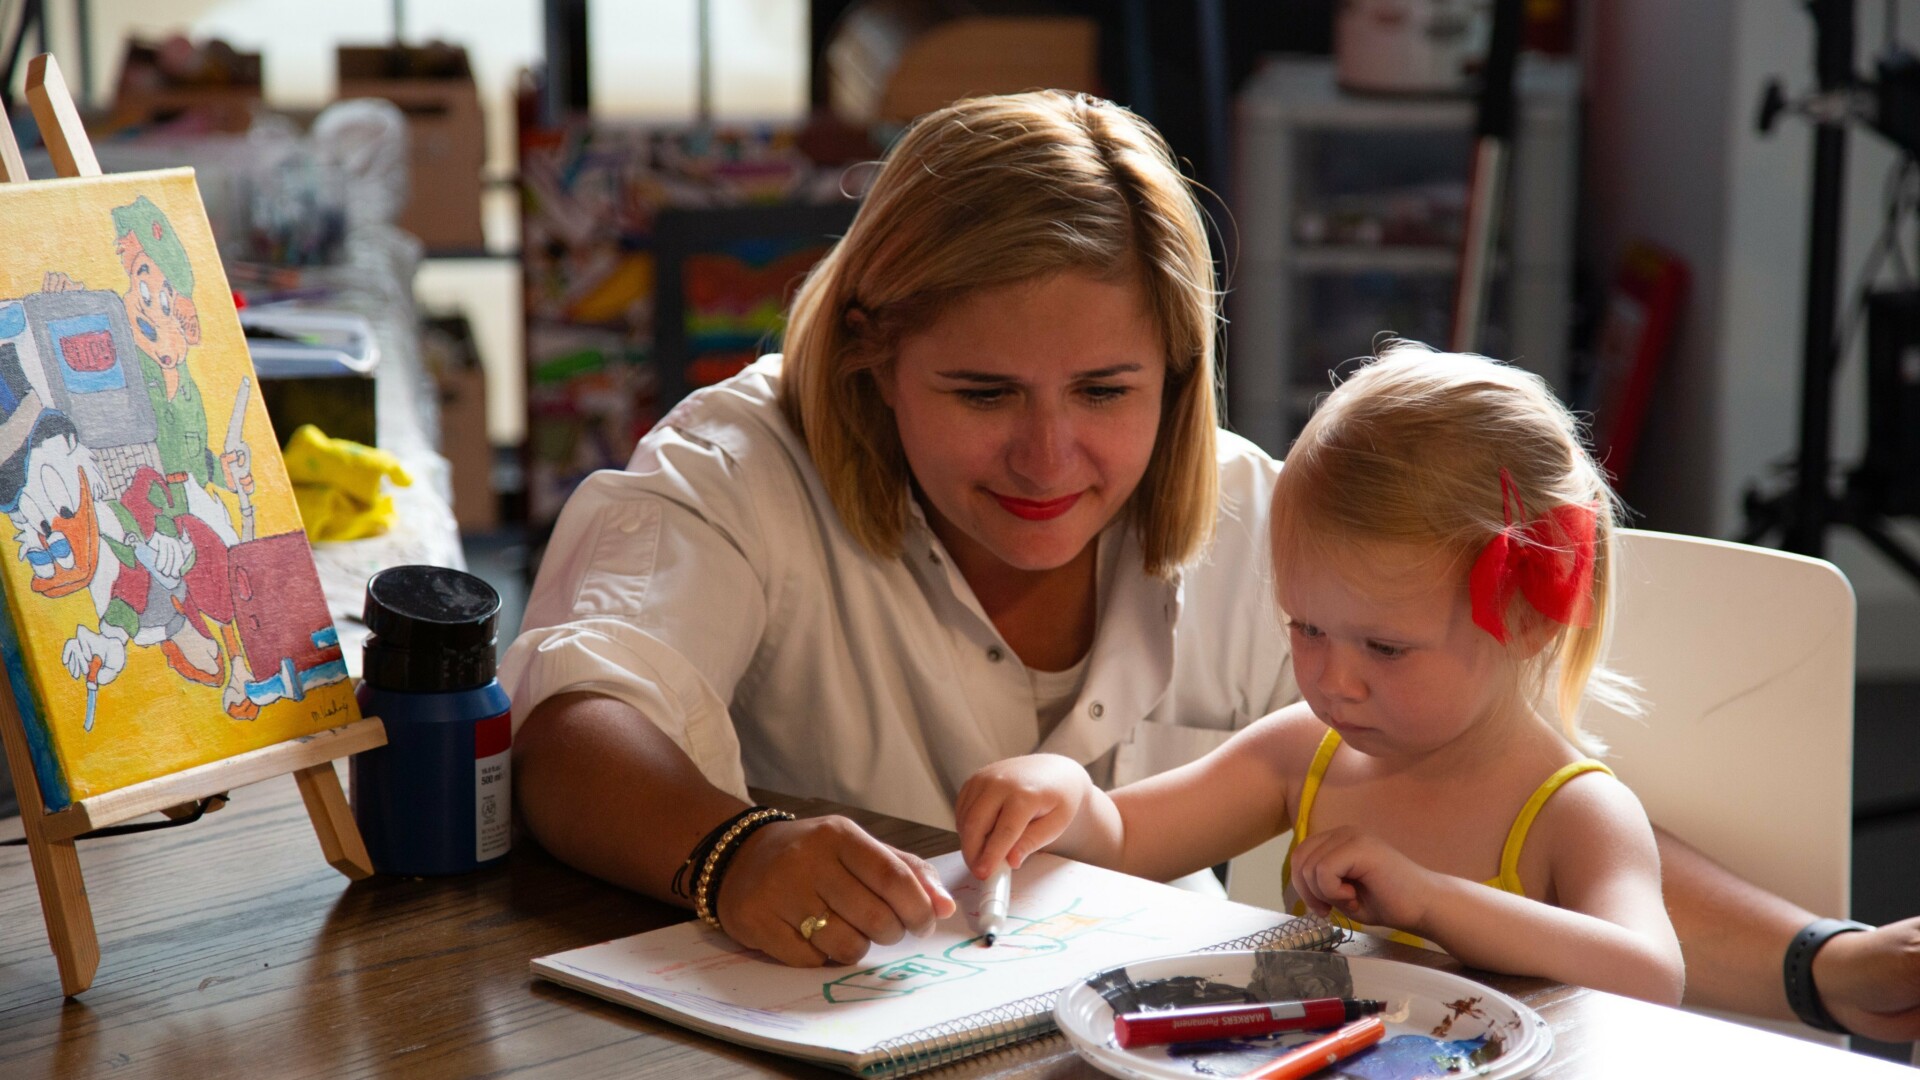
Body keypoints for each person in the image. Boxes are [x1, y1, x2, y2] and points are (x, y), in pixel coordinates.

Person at [502, 90, 1920, 1040]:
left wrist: (1814, 962)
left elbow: (1506, 793)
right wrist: (730, 850)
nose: (1050, 460)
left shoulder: (1267, 525)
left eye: (1110, 391)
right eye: (984, 394)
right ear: (874, 353)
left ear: (1186, 369)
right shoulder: (742, 467)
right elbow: (575, 723)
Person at [958, 345, 1685, 1002]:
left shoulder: (1574, 812)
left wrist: (1431, 901)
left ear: (1528, 618)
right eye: (1306, 628)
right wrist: (1066, 795)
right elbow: (1125, 840)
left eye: (1385, 648)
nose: (1334, 680)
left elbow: (1652, 974)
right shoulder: (1305, 754)